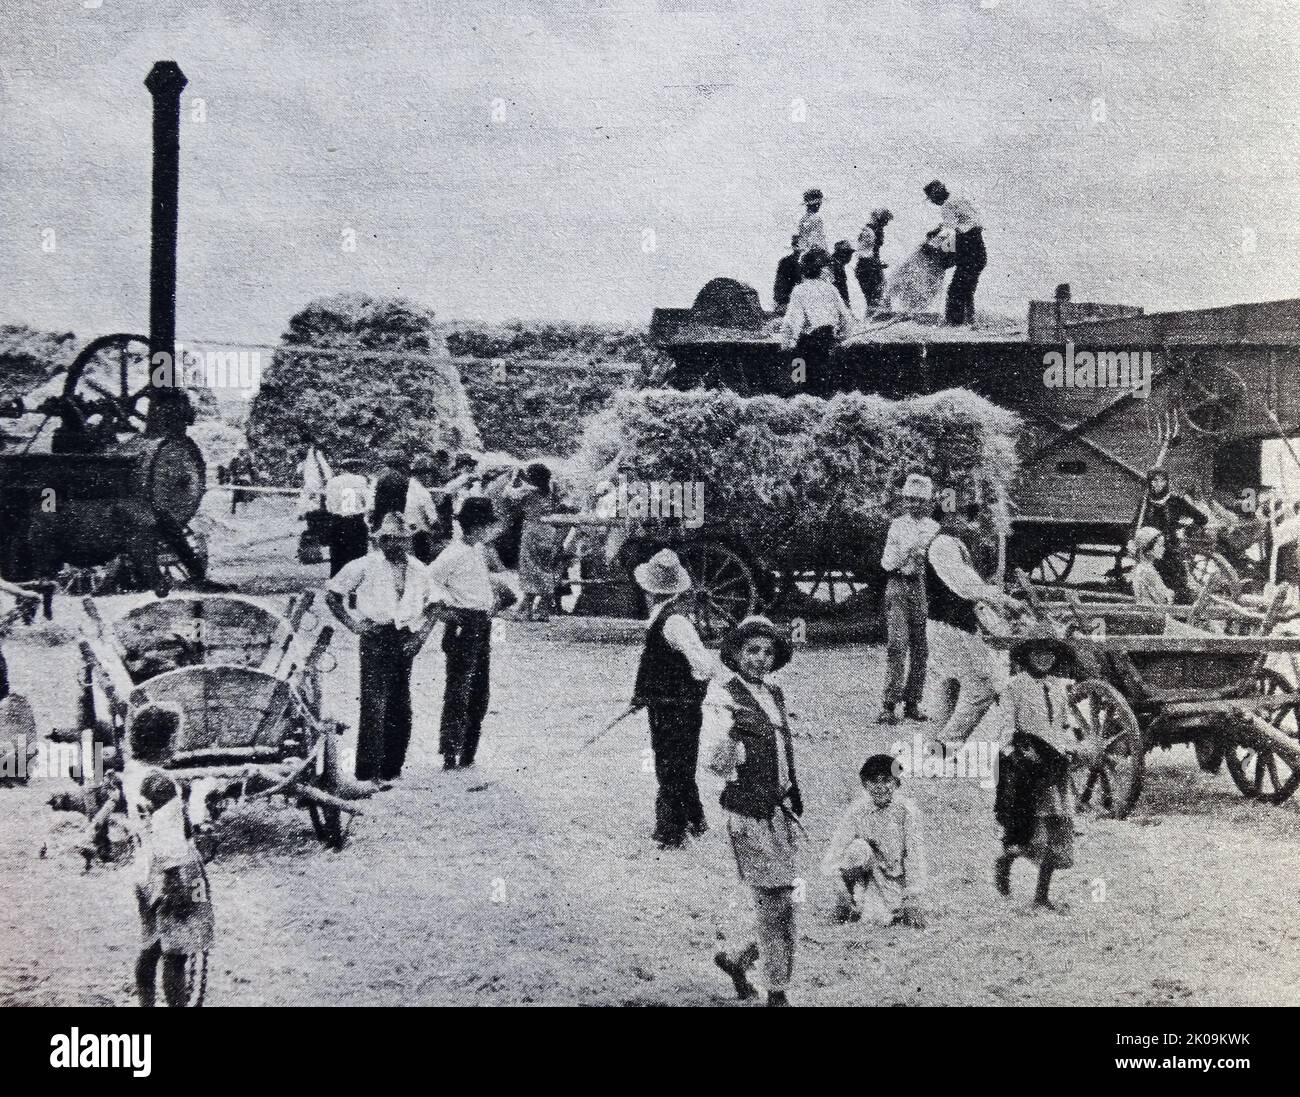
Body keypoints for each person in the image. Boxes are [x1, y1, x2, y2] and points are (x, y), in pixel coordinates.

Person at [704, 616, 802, 1007]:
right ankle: (777, 991)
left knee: (782, 900)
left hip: (780, 811)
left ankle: (738, 960)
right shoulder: (722, 697)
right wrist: (730, 749)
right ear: (736, 653)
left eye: (768, 652)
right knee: (776, 899)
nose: (760, 659)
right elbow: (713, 761)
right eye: (752, 651)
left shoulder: (774, 694)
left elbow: (781, 752)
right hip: (748, 813)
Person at [324, 513, 435, 784]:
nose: (393, 545)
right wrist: (353, 624)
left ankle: (392, 768)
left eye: (399, 539)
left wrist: (420, 636)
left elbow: (435, 604)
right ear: (378, 541)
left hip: (405, 636)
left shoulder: (420, 569)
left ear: (408, 541)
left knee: (401, 702)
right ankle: (367, 771)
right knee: (374, 702)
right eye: (386, 539)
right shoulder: (364, 565)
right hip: (375, 636)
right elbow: (332, 594)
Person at [126, 704, 215, 1007]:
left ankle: (146, 1005)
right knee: (177, 953)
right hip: (171, 873)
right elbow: (169, 840)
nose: (178, 742)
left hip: (143, 871)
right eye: (175, 736)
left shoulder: (134, 773)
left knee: (150, 945)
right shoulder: (163, 784)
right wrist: (175, 882)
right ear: (163, 741)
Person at [994, 637, 1091, 913]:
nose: (1044, 658)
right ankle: (1006, 858)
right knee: (1031, 831)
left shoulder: (1058, 687)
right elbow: (1005, 730)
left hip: (1054, 768)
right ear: (1027, 656)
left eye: (1049, 654)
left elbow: (1063, 724)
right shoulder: (1014, 687)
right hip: (1027, 769)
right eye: (1038, 653)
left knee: (1057, 832)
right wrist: (1018, 754)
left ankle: (1042, 895)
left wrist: (1071, 745)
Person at [631, 548, 720, 848]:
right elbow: (652, 664)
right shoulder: (662, 619)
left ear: (649, 590)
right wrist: (643, 694)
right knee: (677, 763)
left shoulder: (675, 623)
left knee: (671, 766)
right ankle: (696, 819)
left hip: (678, 709)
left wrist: (687, 695)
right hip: (664, 706)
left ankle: (671, 830)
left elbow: (704, 666)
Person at [926, 504, 1024, 746]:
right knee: (983, 685)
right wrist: (1005, 600)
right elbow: (967, 587)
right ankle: (946, 744)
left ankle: (937, 747)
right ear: (943, 518)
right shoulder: (943, 545)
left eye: (965, 516)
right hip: (950, 625)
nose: (961, 520)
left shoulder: (957, 544)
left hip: (949, 623)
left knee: (951, 682)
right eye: (954, 516)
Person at [419, 496, 499, 770]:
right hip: (463, 623)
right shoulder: (453, 553)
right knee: (459, 691)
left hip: (480, 623)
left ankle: (468, 752)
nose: (487, 530)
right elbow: (426, 582)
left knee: (479, 692)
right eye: (484, 525)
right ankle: (451, 752)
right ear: (475, 526)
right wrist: (445, 611)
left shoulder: (475, 551)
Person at [821, 753, 926, 927]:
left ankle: (888, 906)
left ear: (896, 783)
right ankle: (848, 903)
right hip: (864, 880)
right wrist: (840, 888)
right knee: (858, 848)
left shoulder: (906, 812)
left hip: (893, 881)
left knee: (880, 920)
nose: (880, 787)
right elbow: (834, 855)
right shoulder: (857, 812)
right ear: (865, 784)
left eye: (886, 781)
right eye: (873, 781)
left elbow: (914, 857)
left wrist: (912, 896)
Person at [879, 473, 940, 725]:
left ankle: (913, 701)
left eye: (920, 501)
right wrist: (909, 550)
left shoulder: (934, 528)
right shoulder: (897, 526)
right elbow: (887, 562)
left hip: (921, 588)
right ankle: (889, 704)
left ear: (928, 503)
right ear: (904, 501)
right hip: (898, 585)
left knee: (921, 646)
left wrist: (925, 555)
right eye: (910, 500)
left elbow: (938, 563)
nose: (915, 505)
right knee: (897, 644)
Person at [780, 247, 854, 397]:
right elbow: (846, 318)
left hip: (807, 344)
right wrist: (842, 337)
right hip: (827, 341)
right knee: (824, 384)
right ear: (821, 269)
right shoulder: (831, 289)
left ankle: (796, 390)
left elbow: (793, 322)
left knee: (798, 377)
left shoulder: (799, 290)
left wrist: (786, 343)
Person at [1133, 467, 1205, 602]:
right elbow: (1136, 525)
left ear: (1167, 482)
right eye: (1154, 481)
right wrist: (1132, 541)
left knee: (1178, 586)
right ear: (1150, 482)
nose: (1158, 484)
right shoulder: (1145, 503)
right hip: (1151, 553)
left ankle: (1181, 615)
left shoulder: (1175, 501)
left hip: (1171, 551)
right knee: (1154, 587)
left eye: (1162, 481)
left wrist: (1185, 528)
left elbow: (1201, 518)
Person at [923, 180, 986, 326]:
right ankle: (969, 322)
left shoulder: (947, 205)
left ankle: (954, 324)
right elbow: (960, 224)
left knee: (955, 291)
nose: (933, 202)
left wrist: (933, 246)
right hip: (979, 250)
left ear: (936, 194)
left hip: (969, 249)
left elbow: (949, 232)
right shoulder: (959, 198)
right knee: (967, 289)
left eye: (932, 199)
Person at [514, 463, 559, 621]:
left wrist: (515, 477)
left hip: (533, 530)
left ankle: (526, 610)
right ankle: (544, 610)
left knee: (529, 568)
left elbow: (510, 494)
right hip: (548, 531)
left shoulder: (530, 490)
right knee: (545, 569)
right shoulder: (549, 490)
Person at [323, 457, 371, 577]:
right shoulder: (361, 480)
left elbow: (329, 507)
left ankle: (336, 592)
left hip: (337, 522)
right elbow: (370, 504)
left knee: (337, 559)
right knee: (358, 559)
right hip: (356, 522)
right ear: (354, 467)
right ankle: (356, 591)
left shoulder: (332, 482)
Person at [406, 454, 445, 565]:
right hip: (419, 537)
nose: (431, 478)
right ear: (425, 474)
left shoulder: (404, 486)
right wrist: (440, 532)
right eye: (430, 474)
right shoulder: (423, 493)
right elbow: (433, 520)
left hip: (403, 534)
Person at [855, 208, 892, 310]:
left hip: (871, 267)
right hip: (868, 269)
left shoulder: (873, 231)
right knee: (877, 299)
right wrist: (876, 264)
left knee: (880, 298)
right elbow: (863, 254)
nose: (886, 225)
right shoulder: (869, 232)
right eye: (885, 221)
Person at [1129, 525, 1174, 610]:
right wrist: (1170, 594)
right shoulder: (1147, 571)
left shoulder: (1143, 567)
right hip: (1153, 616)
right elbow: (1163, 599)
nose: (1163, 549)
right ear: (1148, 548)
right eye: (1160, 545)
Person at [369, 451, 412, 532]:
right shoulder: (401, 474)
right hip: (396, 503)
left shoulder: (383, 472)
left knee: (379, 524)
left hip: (382, 503)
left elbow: (376, 489)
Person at [772, 235, 802, 314]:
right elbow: (780, 283)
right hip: (790, 301)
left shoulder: (786, 261)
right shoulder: (786, 262)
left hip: (791, 301)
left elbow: (779, 284)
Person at [796, 187, 828, 257]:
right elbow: (816, 239)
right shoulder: (815, 219)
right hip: (813, 254)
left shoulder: (804, 219)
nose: (819, 206)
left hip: (807, 252)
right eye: (818, 204)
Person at [829, 240, 854, 308]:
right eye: (849, 253)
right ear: (842, 253)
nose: (851, 256)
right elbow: (841, 288)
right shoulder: (836, 266)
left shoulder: (837, 264)